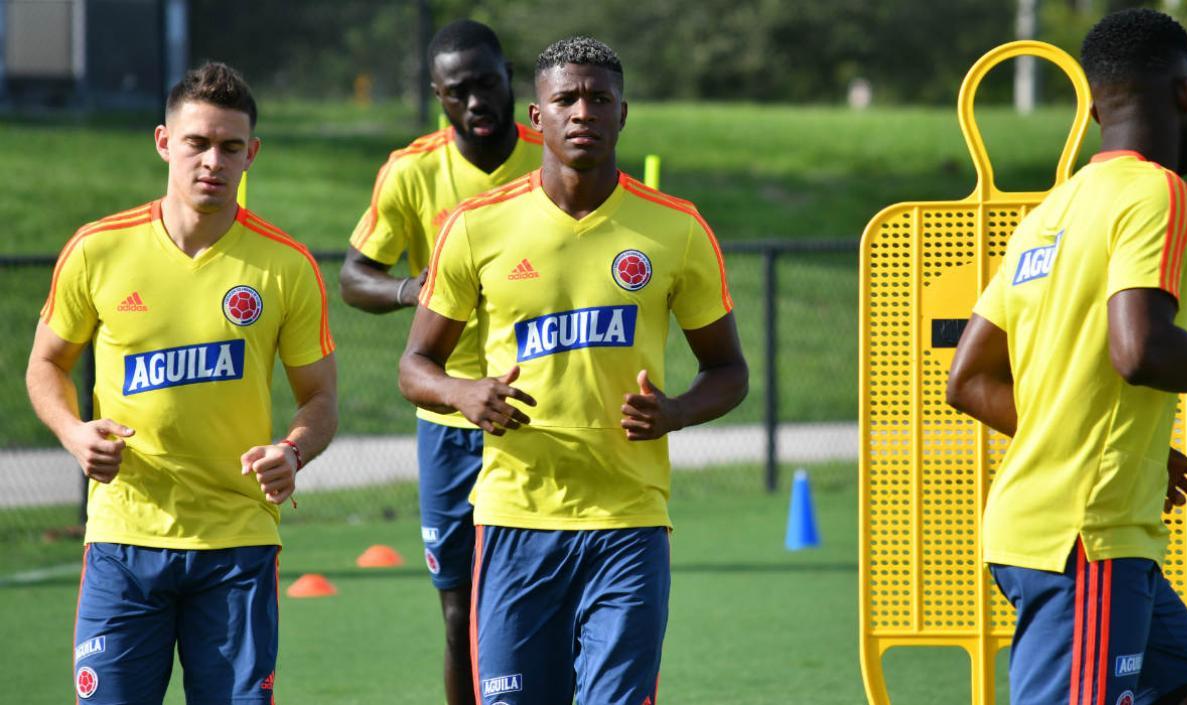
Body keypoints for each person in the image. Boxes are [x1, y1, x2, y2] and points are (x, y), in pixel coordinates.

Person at [399, 36, 747, 705]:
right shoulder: (475, 227)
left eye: (599, 99)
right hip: (515, 522)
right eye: (566, 99)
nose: (583, 111)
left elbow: (729, 370)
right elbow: (415, 365)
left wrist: (675, 411)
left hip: (628, 524)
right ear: (537, 116)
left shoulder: (676, 229)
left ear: (623, 114)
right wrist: (462, 393)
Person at [946, 9, 1187, 705]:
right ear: (1185, 92)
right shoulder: (1157, 191)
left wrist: (1124, 447)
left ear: (1091, 110)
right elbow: (1141, 351)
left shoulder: (1049, 214)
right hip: (1087, 539)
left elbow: (968, 378)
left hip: (1050, 529)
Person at [26, 62, 337, 704]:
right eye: (197, 142)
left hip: (237, 544)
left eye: (230, 147)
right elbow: (46, 365)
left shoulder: (286, 266)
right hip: (124, 539)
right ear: (165, 142)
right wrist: (73, 432)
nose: (212, 161)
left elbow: (320, 399)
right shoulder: (97, 250)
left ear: (251, 154)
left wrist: (292, 451)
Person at [338, 19, 541, 705]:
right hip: (449, 420)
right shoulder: (412, 171)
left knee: (547, 604)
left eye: (486, 83)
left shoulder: (551, 158)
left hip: (535, 413)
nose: (476, 102)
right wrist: (411, 289)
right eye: (458, 91)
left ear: (509, 77)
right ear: (438, 96)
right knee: (460, 613)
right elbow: (354, 276)